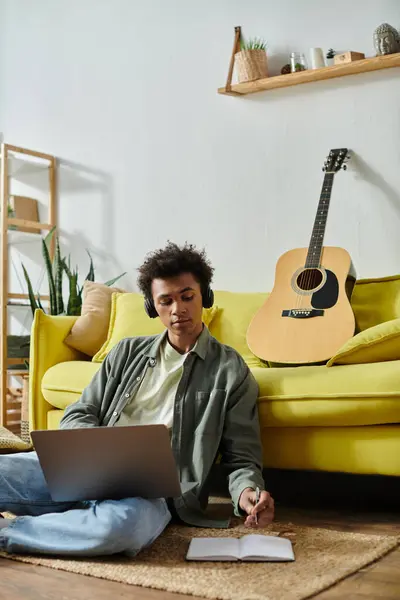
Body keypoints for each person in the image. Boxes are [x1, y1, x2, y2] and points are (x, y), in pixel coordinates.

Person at [0, 242, 274, 557]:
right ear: (151, 306)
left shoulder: (231, 370)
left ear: (205, 296)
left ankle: (12, 531)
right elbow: (80, 412)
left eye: (187, 297)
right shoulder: (125, 352)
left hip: (154, 495)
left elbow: (241, 457)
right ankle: (70, 524)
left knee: (118, 530)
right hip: (87, 470)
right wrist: (97, 450)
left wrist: (248, 494)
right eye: (166, 301)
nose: (178, 310)